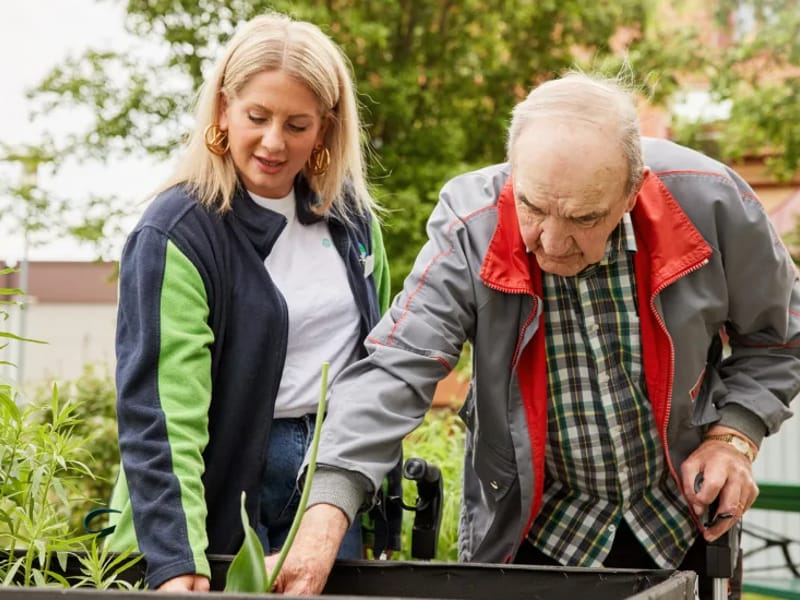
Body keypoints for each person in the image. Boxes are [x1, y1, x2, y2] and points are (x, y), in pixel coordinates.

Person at [267, 72, 800, 598]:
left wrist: (733, 437)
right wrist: (324, 513)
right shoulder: (470, 225)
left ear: (632, 190)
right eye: (533, 207)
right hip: (535, 534)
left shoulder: (711, 203)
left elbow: (779, 339)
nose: (550, 241)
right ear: (512, 174)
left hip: (682, 522)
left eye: (583, 217)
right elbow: (398, 366)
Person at [104, 12, 401, 591]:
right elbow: (162, 413)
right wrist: (175, 556)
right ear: (222, 109)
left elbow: (380, 370)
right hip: (222, 488)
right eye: (257, 117)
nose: (273, 142)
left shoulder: (354, 223)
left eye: (297, 124)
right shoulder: (175, 234)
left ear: (325, 129)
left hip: (330, 487)